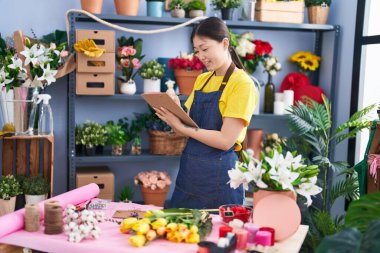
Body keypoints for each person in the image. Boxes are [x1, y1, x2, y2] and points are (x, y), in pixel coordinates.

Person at [154, 17, 258, 209]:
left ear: (225, 43)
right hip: (190, 176)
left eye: (205, 48)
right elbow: (188, 127)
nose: (200, 56)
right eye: (197, 51)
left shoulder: (242, 84)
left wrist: (182, 128)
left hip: (221, 180)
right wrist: (174, 109)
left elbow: (225, 140)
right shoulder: (202, 79)